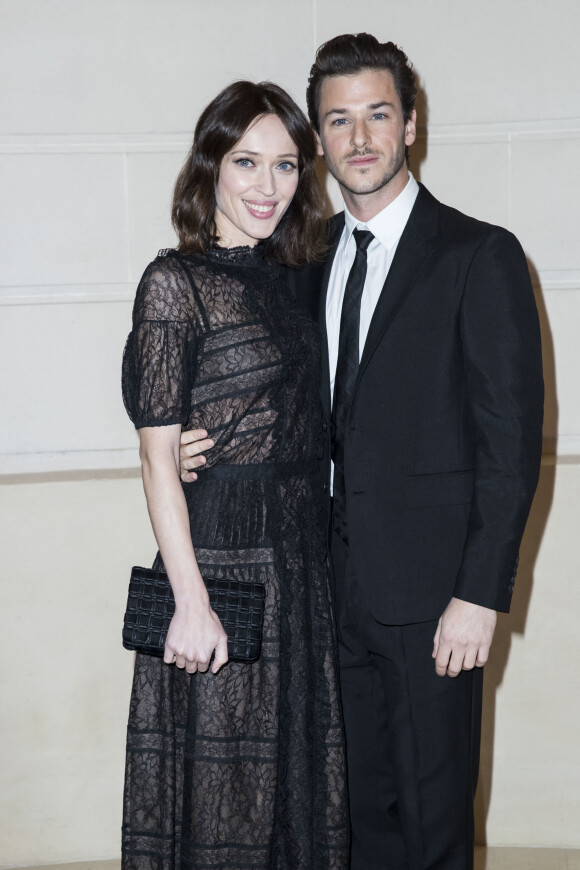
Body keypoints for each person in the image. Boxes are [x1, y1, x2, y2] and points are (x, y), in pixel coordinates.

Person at [180, 35, 544, 870]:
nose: (361, 137)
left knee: (434, 821)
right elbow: (259, 391)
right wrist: (202, 441)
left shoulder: (477, 255)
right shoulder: (300, 266)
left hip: (431, 603)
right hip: (319, 589)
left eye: (378, 114)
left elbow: (509, 441)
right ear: (319, 140)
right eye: (339, 121)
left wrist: (480, 595)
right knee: (352, 823)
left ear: (410, 123)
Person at [121, 80, 349, 869]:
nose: (268, 186)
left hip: (302, 568)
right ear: (211, 164)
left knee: (296, 798)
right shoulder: (174, 283)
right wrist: (190, 603)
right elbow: (157, 454)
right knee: (223, 800)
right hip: (219, 564)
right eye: (247, 161)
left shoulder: (304, 277)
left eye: (286, 165)